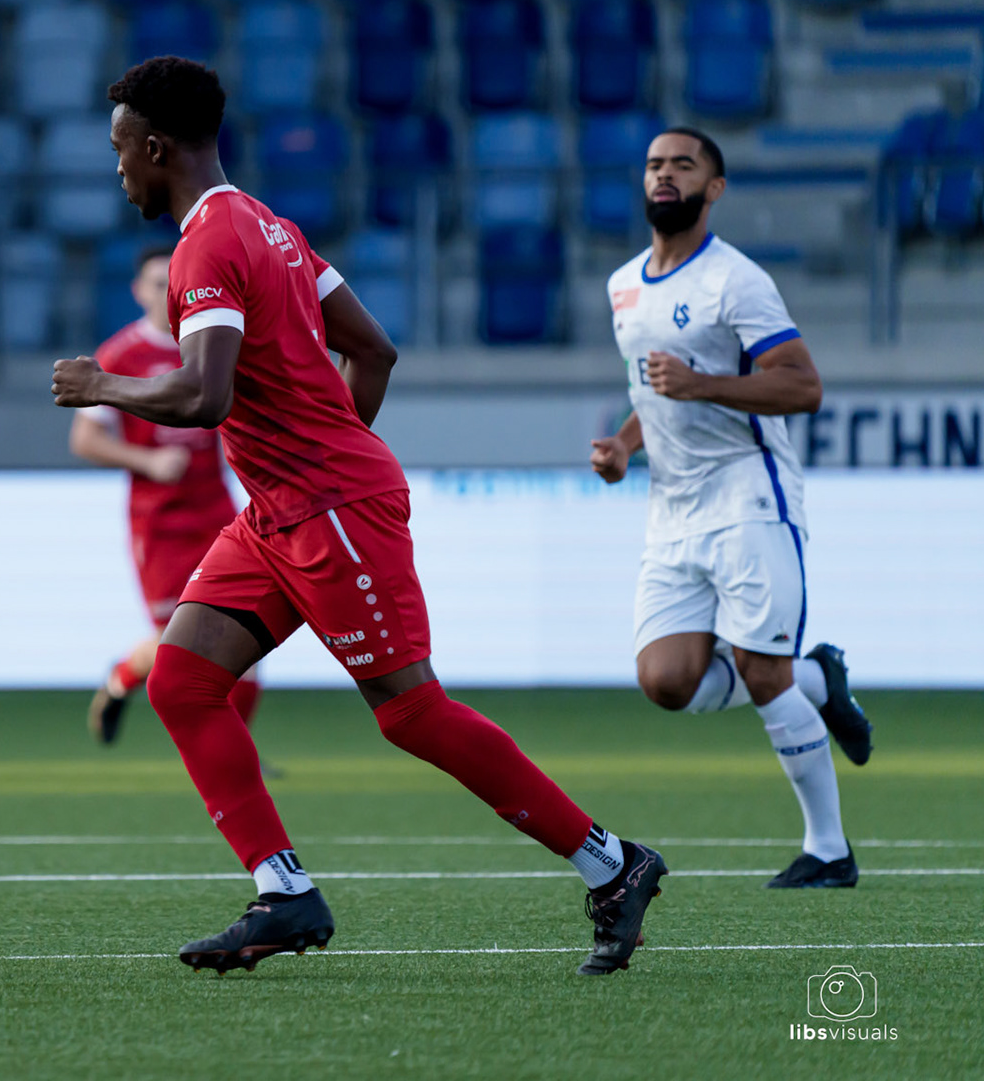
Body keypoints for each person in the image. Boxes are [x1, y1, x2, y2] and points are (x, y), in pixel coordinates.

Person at [51, 57, 666, 977]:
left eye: (119, 153)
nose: (118, 172)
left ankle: (613, 866)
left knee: (411, 711)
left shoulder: (206, 247)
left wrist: (103, 384)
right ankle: (285, 892)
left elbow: (206, 394)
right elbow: (372, 349)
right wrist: (325, 448)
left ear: (154, 146)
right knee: (180, 680)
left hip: (328, 507)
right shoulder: (274, 228)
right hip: (283, 510)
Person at [590, 127, 872, 889]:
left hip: (748, 495)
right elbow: (654, 392)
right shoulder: (623, 285)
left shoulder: (735, 281)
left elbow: (803, 386)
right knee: (666, 681)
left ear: (713, 189)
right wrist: (623, 444)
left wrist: (704, 384)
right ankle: (819, 679)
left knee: (759, 669)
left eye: (684, 164)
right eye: (655, 163)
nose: (666, 174)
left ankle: (828, 850)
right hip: (671, 510)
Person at [71, 242, 257, 746]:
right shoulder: (120, 355)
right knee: (184, 640)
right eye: (156, 284)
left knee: (249, 636)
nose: (166, 294)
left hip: (218, 510)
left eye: (172, 284)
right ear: (137, 292)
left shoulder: (208, 343)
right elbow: (85, 439)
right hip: (161, 521)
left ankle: (237, 752)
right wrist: (148, 461)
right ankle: (122, 679)